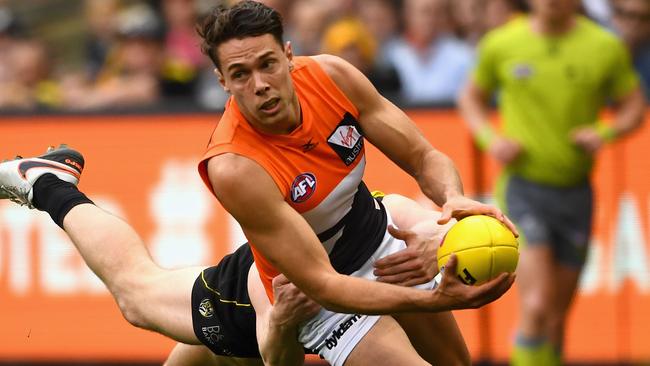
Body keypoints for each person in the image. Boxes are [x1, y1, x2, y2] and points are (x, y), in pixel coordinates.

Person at [196, 1, 516, 365]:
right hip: (318, 294)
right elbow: (324, 285)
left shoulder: (331, 77)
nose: (260, 85)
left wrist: (453, 197)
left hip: (377, 242)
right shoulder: (235, 166)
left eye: (267, 64)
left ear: (288, 55)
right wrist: (435, 300)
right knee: (141, 296)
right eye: (240, 74)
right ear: (222, 81)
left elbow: (424, 156)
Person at [0, 146, 459, 366]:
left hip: (326, 297)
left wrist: (443, 246)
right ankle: (48, 185)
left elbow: (480, 235)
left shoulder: (394, 216)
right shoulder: (279, 276)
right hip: (245, 317)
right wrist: (281, 323)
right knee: (137, 294)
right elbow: (277, 359)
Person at [457, 0, 646, 364]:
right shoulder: (502, 43)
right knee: (537, 302)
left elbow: (634, 105)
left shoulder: (604, 47)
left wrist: (605, 131)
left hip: (576, 192)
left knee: (557, 315)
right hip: (524, 189)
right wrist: (491, 140)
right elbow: (470, 98)